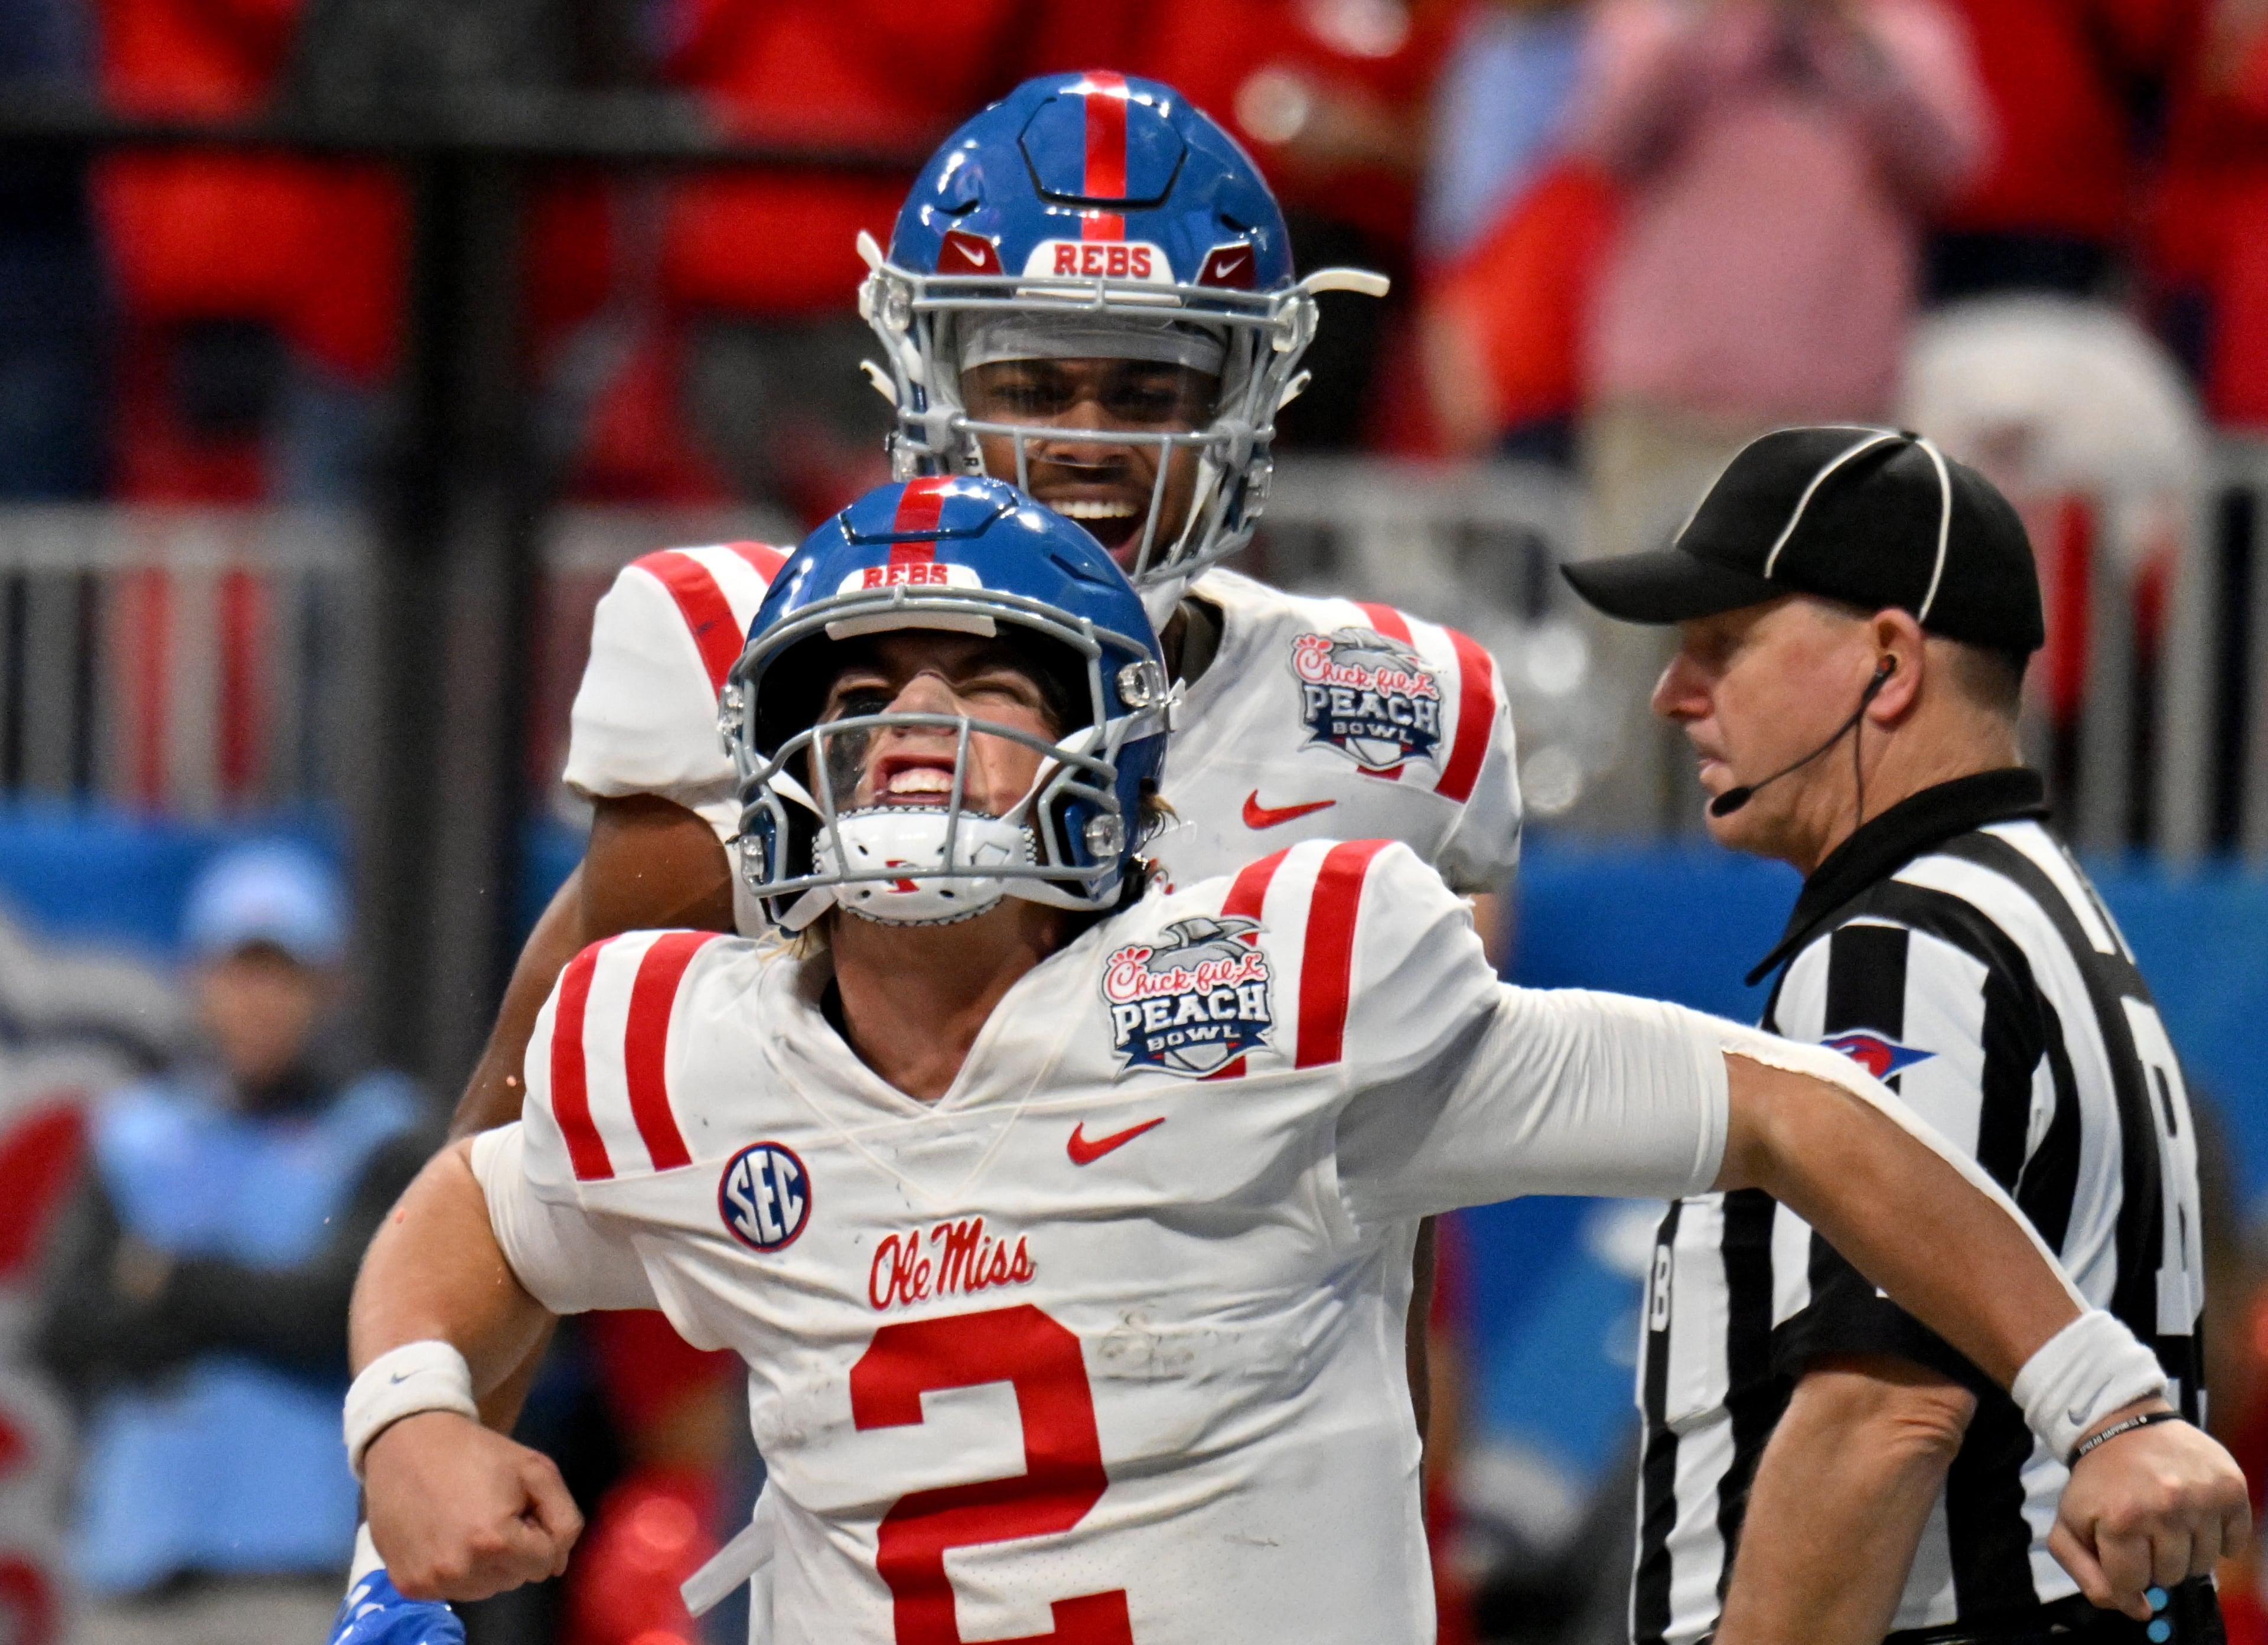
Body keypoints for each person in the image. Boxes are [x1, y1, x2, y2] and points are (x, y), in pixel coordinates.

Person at [337, 476, 2247, 1644]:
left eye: (986, 682)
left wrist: (2101, 1393)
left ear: (1110, 753)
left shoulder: (1278, 991)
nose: (916, 727)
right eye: (860, 689)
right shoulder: (681, 1040)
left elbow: (1790, 1106)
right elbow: (479, 1208)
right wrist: (410, 1411)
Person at [442, 71, 1520, 1490]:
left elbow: (1408, 1196)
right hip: (880, 1475)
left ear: (1250, 394)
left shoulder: (1383, 714)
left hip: (1251, 1483)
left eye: (1149, 388)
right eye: (1032, 382)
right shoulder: (749, 656)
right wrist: (418, 1462)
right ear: (928, 380)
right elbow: (532, 1132)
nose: (1089, 438)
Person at [1563, 426, 2223, 1644]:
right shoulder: (2029, 908)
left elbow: (1884, 1414)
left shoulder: (1910, 948)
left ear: (1888, 661)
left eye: (1723, 642)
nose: (1674, 694)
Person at [33, 842, 428, 1645]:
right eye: (239, 974)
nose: (258, 1003)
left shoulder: (377, 1133)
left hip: (299, 1572)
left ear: (331, 987)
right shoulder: (132, 1136)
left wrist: (172, 1279)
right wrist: (247, 1301)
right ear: (199, 980)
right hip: (135, 1566)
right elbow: (62, 1325)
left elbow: (343, 1313)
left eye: (283, 977)